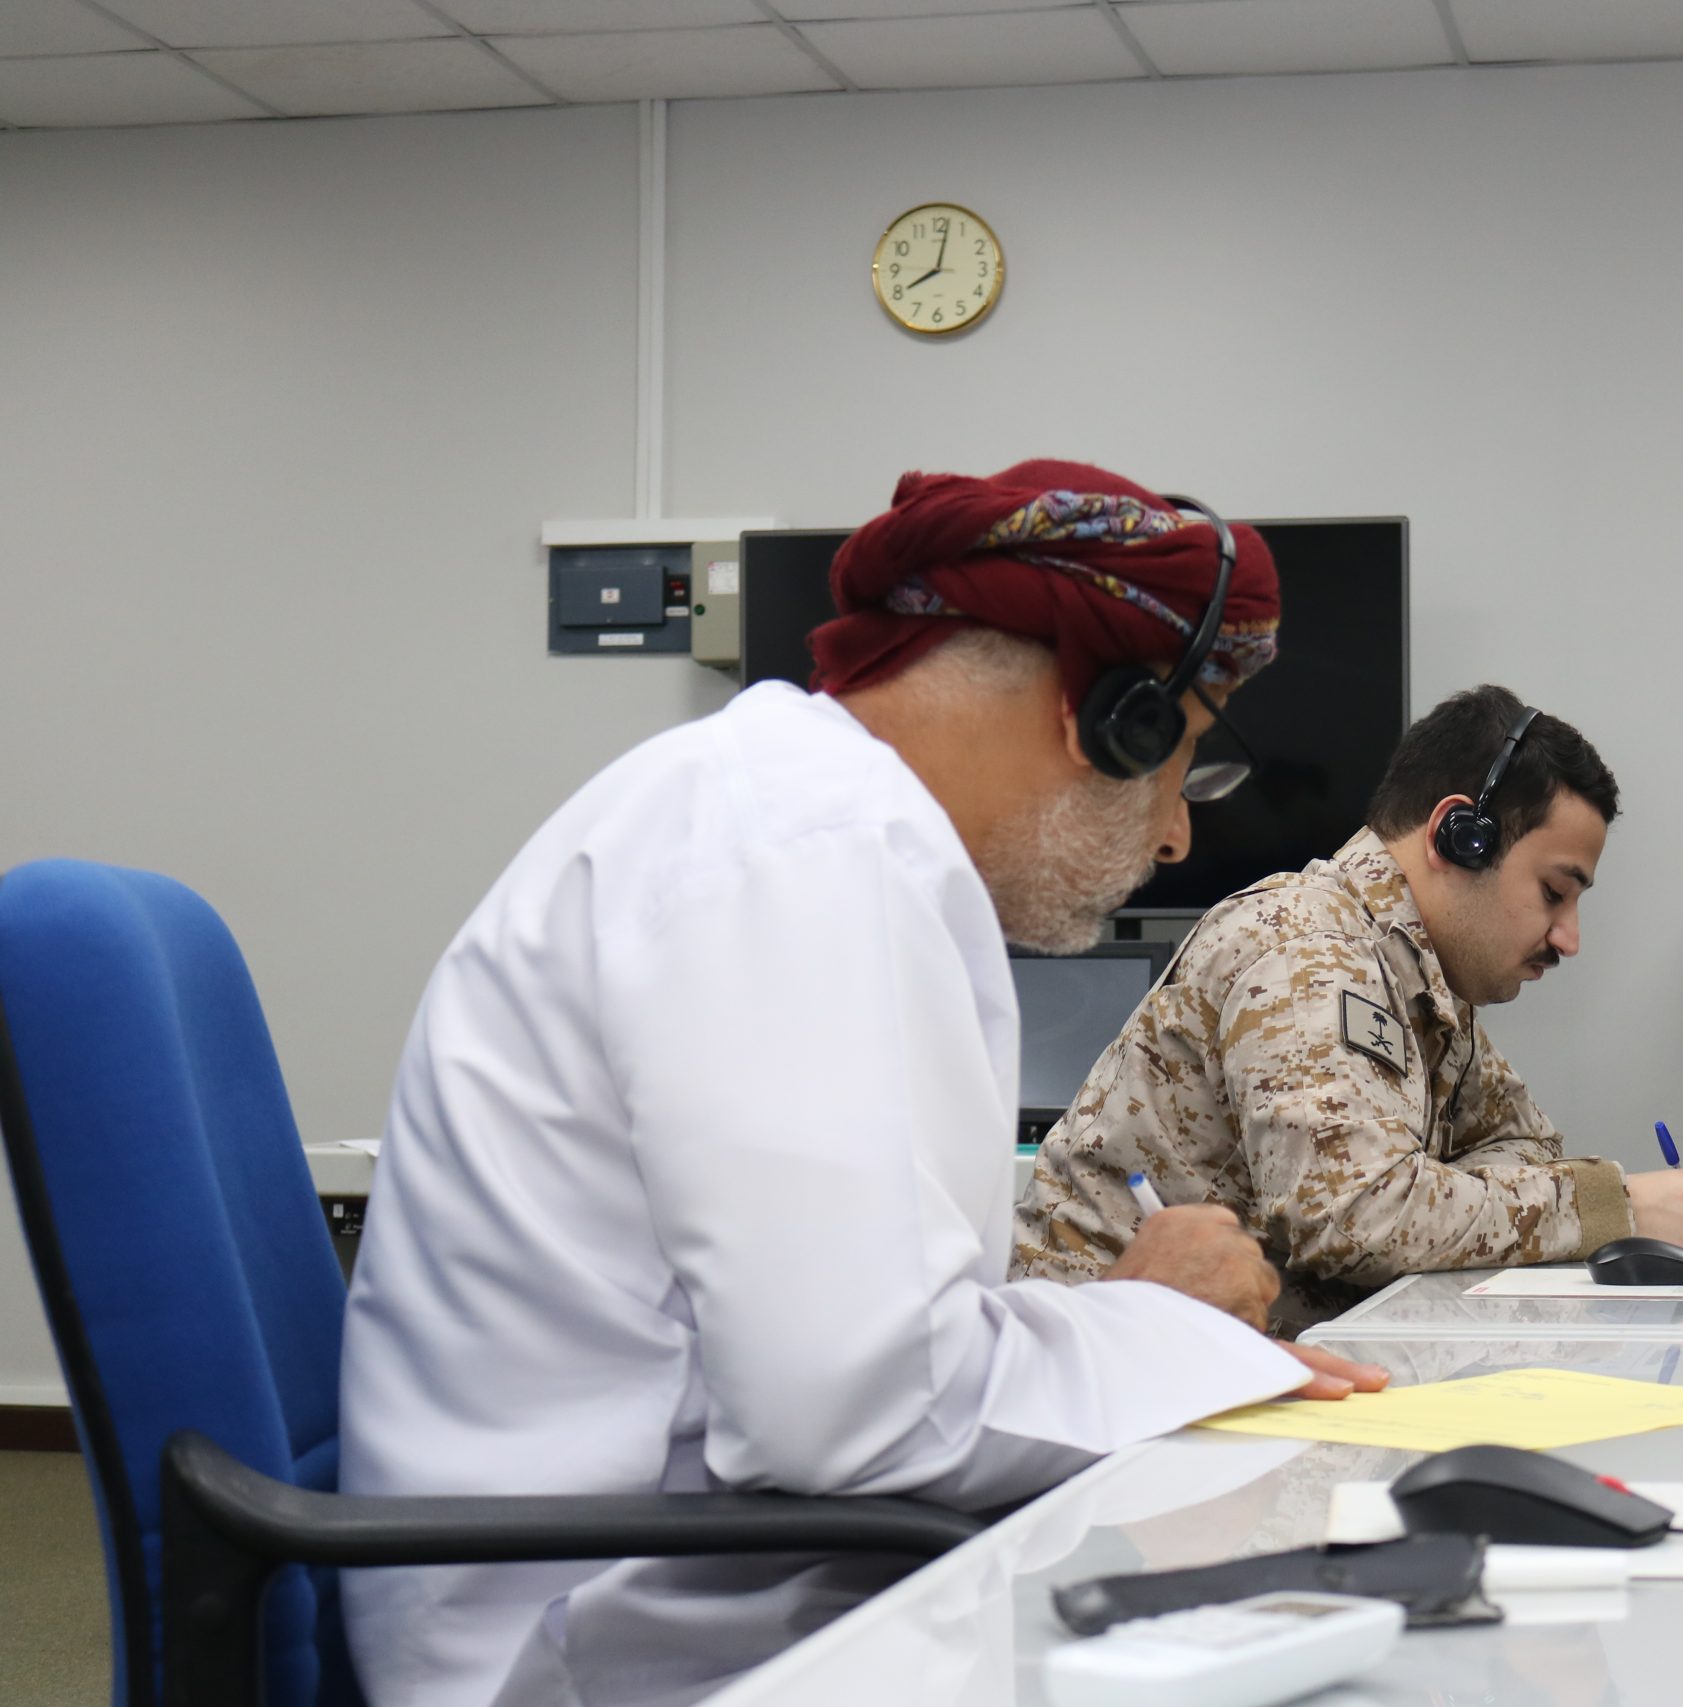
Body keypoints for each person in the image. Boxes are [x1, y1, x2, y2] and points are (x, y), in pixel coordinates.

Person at [338, 460, 1387, 1707]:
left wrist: (1142, 1323)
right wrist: (1165, 1331)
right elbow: (860, 1416)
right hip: (610, 1648)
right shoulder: (801, 854)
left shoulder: (802, 820)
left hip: (695, 1573)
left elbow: (877, 1365)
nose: (1174, 833)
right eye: (1184, 765)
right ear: (1110, 717)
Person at [1013, 685, 1683, 1337]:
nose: (1569, 938)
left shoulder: (1415, 973)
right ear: (1461, 836)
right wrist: (1614, 1207)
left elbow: (1523, 1145)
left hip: (1216, 1358)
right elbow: (1357, 1217)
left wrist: (1439, 1197)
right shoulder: (1306, 951)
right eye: (1554, 892)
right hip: (1104, 1373)